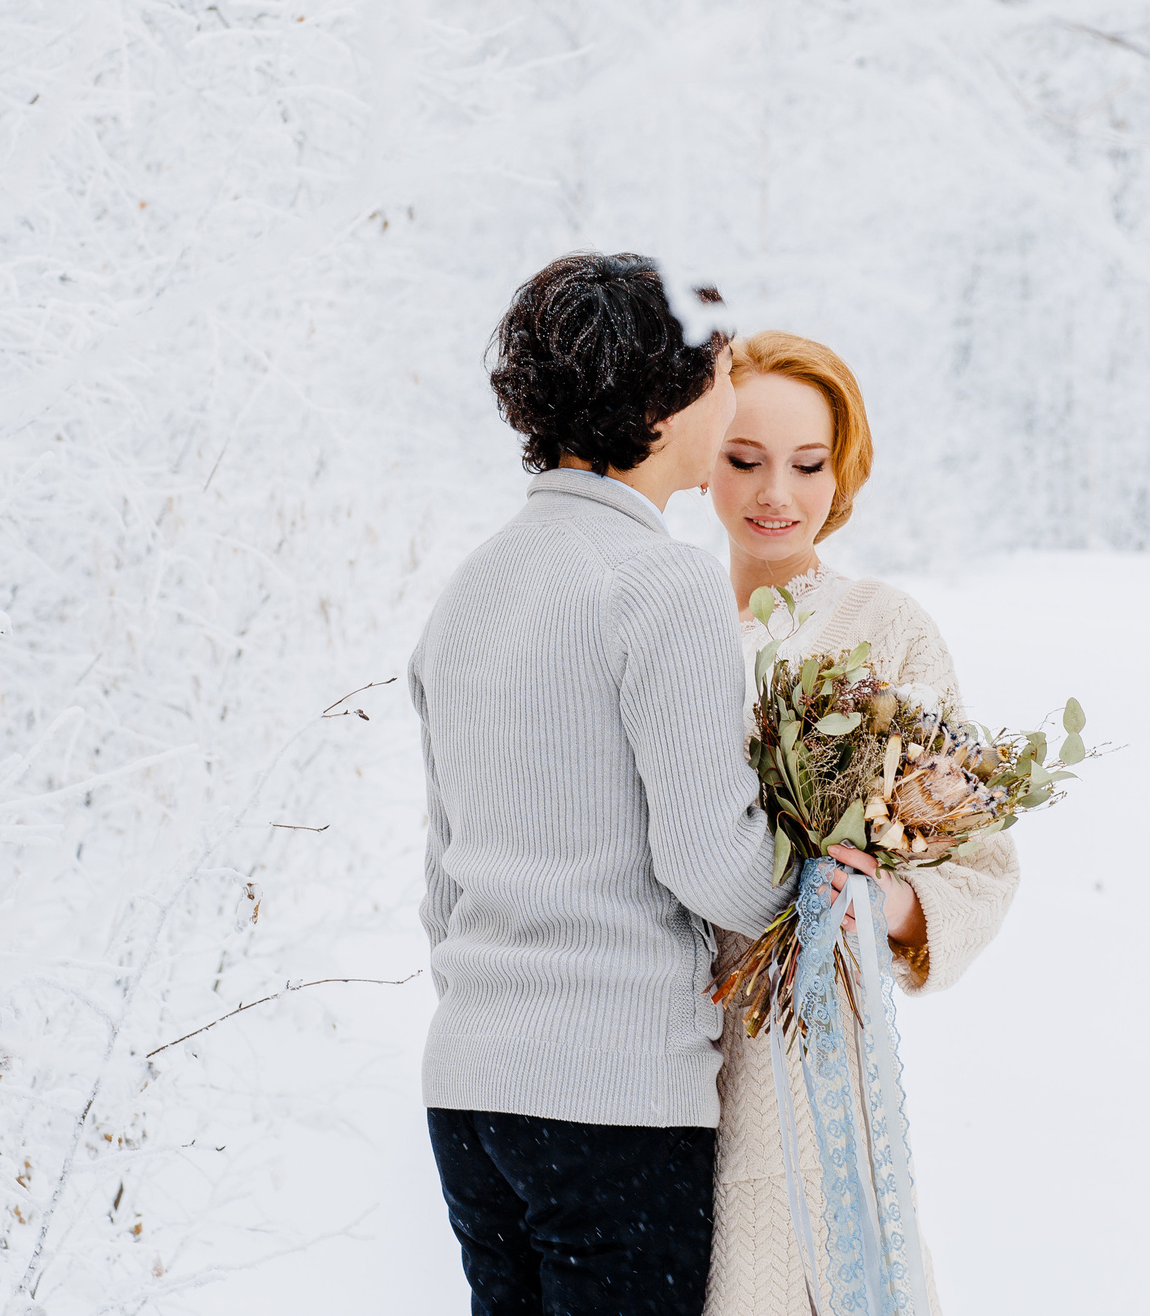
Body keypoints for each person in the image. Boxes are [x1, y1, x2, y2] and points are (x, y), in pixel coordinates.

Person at [410, 253, 795, 1316]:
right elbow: (713, 863)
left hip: (468, 1092)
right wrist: (826, 888)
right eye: (721, 372)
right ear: (661, 404)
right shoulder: (658, 581)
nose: (732, 394)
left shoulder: (472, 585)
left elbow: (441, 882)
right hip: (613, 1100)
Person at [700, 330, 1023, 1316]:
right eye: (744, 460)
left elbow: (980, 858)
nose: (775, 496)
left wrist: (878, 902)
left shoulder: (884, 627)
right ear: (697, 456)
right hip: (665, 1051)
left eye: (807, 465)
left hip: (814, 1065)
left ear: (845, 472)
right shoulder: (663, 620)